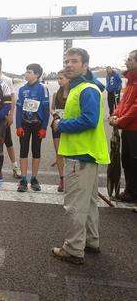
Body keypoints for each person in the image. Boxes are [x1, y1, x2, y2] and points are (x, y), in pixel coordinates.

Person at [51, 47, 110, 265]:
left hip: (80, 155)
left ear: (85, 66)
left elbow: (89, 120)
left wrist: (61, 124)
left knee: (74, 204)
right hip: (86, 154)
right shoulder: (82, 86)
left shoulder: (86, 89)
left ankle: (73, 249)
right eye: (67, 61)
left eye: (74, 61)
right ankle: (91, 241)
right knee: (89, 203)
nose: (68, 64)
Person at [16, 63, 50, 192]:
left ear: (37, 74)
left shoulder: (43, 88)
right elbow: (19, 109)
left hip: (38, 125)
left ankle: (34, 178)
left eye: (29, 72)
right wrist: (18, 125)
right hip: (25, 124)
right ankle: (23, 179)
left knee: (36, 151)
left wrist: (44, 127)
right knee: (23, 151)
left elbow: (46, 109)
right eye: (26, 71)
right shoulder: (21, 89)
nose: (26, 73)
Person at [109, 50, 137, 203]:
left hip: (134, 129)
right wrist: (115, 114)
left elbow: (135, 108)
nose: (128, 61)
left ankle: (133, 192)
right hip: (128, 129)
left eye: (131, 59)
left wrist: (120, 121)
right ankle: (130, 190)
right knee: (127, 160)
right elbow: (123, 102)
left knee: (134, 160)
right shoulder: (130, 81)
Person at [51, 70, 70, 192]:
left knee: (69, 153)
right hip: (57, 125)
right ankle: (62, 178)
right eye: (57, 78)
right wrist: (56, 115)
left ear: (68, 79)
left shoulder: (74, 93)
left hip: (69, 125)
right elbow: (52, 108)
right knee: (59, 152)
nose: (59, 81)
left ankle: (70, 179)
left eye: (61, 78)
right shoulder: (55, 93)